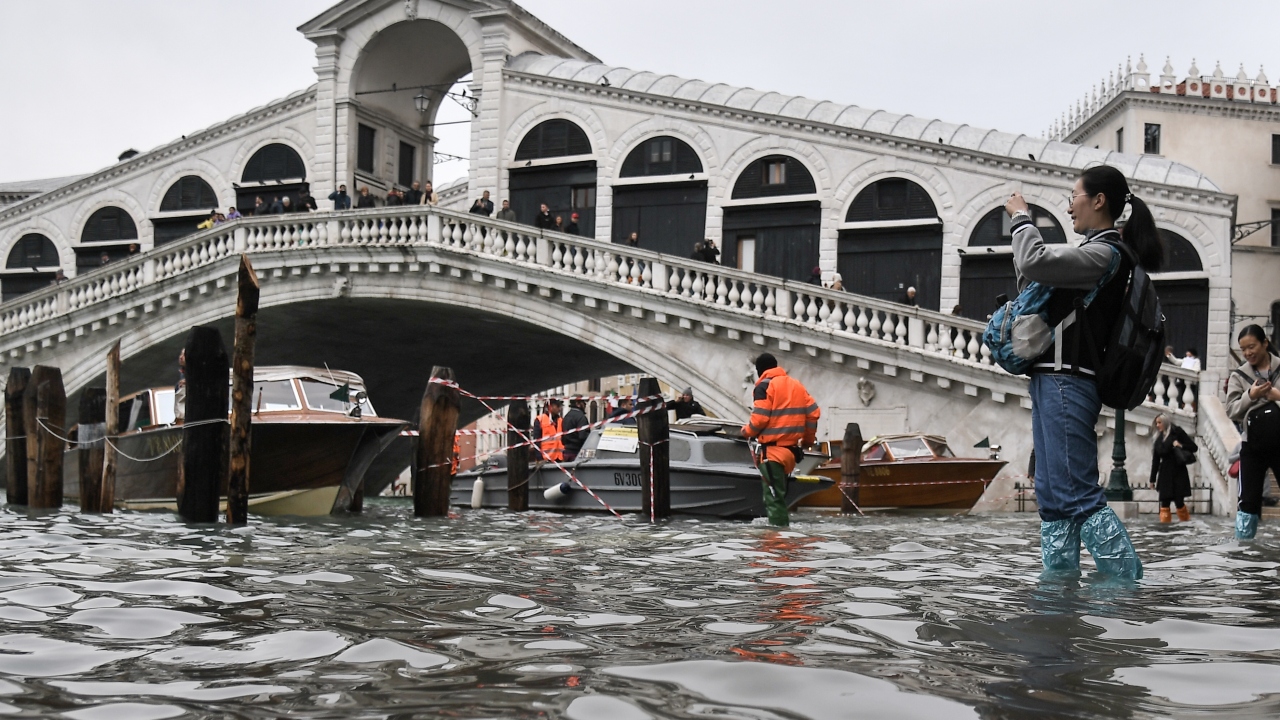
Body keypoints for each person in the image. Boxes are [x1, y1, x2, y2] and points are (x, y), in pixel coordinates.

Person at [1007, 164, 1162, 579]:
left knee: (1076, 493)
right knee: (1053, 499)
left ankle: (1126, 585)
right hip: (1053, 378)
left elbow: (1035, 260)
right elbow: (1033, 281)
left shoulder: (1105, 252)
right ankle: (1058, 592)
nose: (1069, 206)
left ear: (1099, 200)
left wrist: (1021, 218)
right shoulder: (1094, 253)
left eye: (1073, 196)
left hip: (1068, 380)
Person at [741, 353, 820, 527]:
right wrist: (807, 441)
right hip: (790, 454)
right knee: (780, 497)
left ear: (759, 370)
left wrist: (746, 431)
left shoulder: (763, 386)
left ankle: (778, 539)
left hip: (772, 454)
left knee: (774, 499)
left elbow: (759, 419)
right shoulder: (797, 385)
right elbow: (813, 413)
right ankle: (783, 535)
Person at [1225, 324, 1280, 540]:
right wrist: (1251, 395)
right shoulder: (1239, 375)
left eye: (1252, 347)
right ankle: (1244, 548)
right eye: (1243, 349)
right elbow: (1231, 410)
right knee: (1248, 502)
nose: (1248, 353)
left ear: (1265, 343)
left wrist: (1276, 396)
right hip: (1252, 447)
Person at [1149, 414, 1196, 523]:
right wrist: (1152, 479)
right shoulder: (1158, 439)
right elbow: (1155, 461)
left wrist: (1180, 445)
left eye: (1160, 422)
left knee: (1179, 501)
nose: (1158, 425)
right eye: (1156, 423)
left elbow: (1194, 447)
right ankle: (1165, 526)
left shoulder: (1177, 432)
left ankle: (1185, 523)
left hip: (1178, 471)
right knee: (1164, 502)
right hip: (1165, 473)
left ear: (1165, 422)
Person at [532, 398, 565, 463]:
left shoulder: (560, 420)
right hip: (545, 458)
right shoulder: (540, 419)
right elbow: (536, 440)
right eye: (558, 406)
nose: (560, 409)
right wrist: (539, 458)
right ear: (550, 407)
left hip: (559, 457)